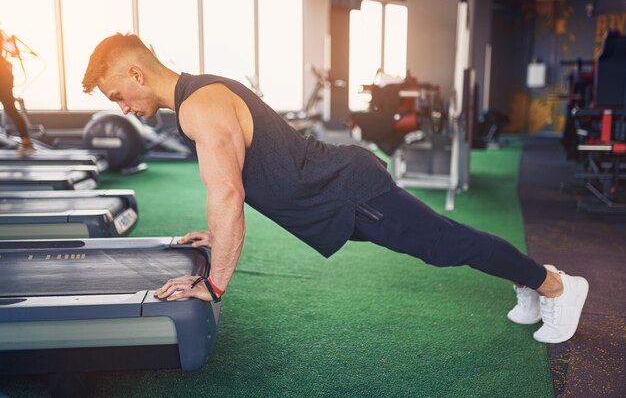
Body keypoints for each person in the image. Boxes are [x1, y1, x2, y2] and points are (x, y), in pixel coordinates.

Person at [83, 33, 589, 344]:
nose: (122, 107)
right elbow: (233, 183)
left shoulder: (199, 106)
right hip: (335, 196)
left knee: (444, 244)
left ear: (135, 72)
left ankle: (555, 285)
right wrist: (215, 237)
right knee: (445, 240)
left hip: (347, 193)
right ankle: (529, 280)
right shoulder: (201, 93)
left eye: (117, 95)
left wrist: (213, 284)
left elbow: (228, 194)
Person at [0, 29, 35, 156]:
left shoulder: (1, 34)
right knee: (10, 109)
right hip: (5, 73)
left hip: (2, 75)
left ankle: (26, 143)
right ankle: (26, 142)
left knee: (10, 109)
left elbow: (12, 50)